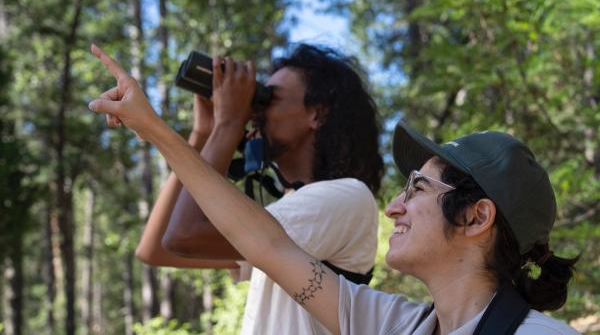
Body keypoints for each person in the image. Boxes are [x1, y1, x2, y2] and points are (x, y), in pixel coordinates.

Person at [88, 44, 580, 335]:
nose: (392, 208)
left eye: (416, 189)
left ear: (477, 217)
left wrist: (215, 126)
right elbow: (265, 244)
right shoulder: (393, 325)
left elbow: (211, 238)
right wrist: (165, 131)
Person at [130, 44, 384, 334]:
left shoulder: (345, 197)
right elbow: (156, 249)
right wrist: (203, 135)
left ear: (318, 114)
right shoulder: (293, 208)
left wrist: (227, 124)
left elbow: (183, 237)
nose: (253, 112)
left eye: (266, 98)